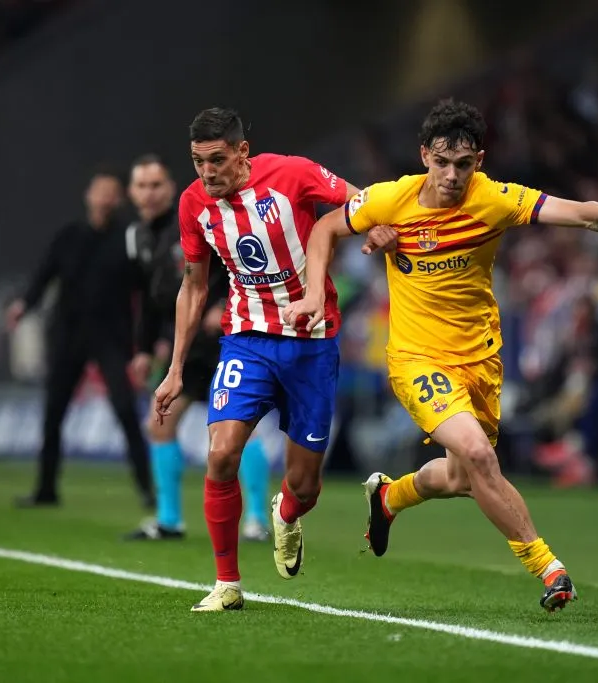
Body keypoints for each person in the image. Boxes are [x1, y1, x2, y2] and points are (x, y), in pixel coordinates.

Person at [284, 98, 598, 612]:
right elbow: (324, 229)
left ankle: (389, 497)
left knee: (459, 476)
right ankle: (549, 568)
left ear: (479, 160)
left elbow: (585, 215)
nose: (453, 175)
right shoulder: (388, 200)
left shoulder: (495, 199)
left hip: (480, 360)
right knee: (478, 455)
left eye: (464, 164)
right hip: (417, 360)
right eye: (443, 162)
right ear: (424, 155)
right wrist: (315, 294)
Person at [153, 107, 394, 611]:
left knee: (305, 484)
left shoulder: (293, 174)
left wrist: (376, 226)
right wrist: (175, 368)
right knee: (220, 454)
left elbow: (360, 199)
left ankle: (286, 512)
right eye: (198, 161)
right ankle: (227, 584)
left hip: (312, 340)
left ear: (242, 152)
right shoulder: (193, 204)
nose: (207, 172)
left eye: (217, 160)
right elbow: (194, 286)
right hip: (247, 339)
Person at [122, 154, 272, 542]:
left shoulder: (194, 217)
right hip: (186, 348)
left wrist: (222, 304)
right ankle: (169, 519)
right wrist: (142, 349)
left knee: (235, 432)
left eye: (157, 185)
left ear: (170, 188)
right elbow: (149, 298)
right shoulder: (136, 237)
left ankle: (256, 518)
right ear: (132, 192)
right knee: (161, 424)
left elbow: (229, 263)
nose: (150, 194)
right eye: (142, 186)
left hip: (224, 340)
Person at [8, 168, 154, 509]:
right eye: (99, 191)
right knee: (53, 412)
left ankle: (148, 489)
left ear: (118, 200)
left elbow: (147, 292)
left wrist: (149, 338)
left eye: (111, 193)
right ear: (89, 196)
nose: (104, 198)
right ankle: (46, 489)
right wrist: (24, 305)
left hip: (111, 337)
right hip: (68, 334)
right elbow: (44, 275)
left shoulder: (129, 239)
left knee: (125, 409)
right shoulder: (68, 236)